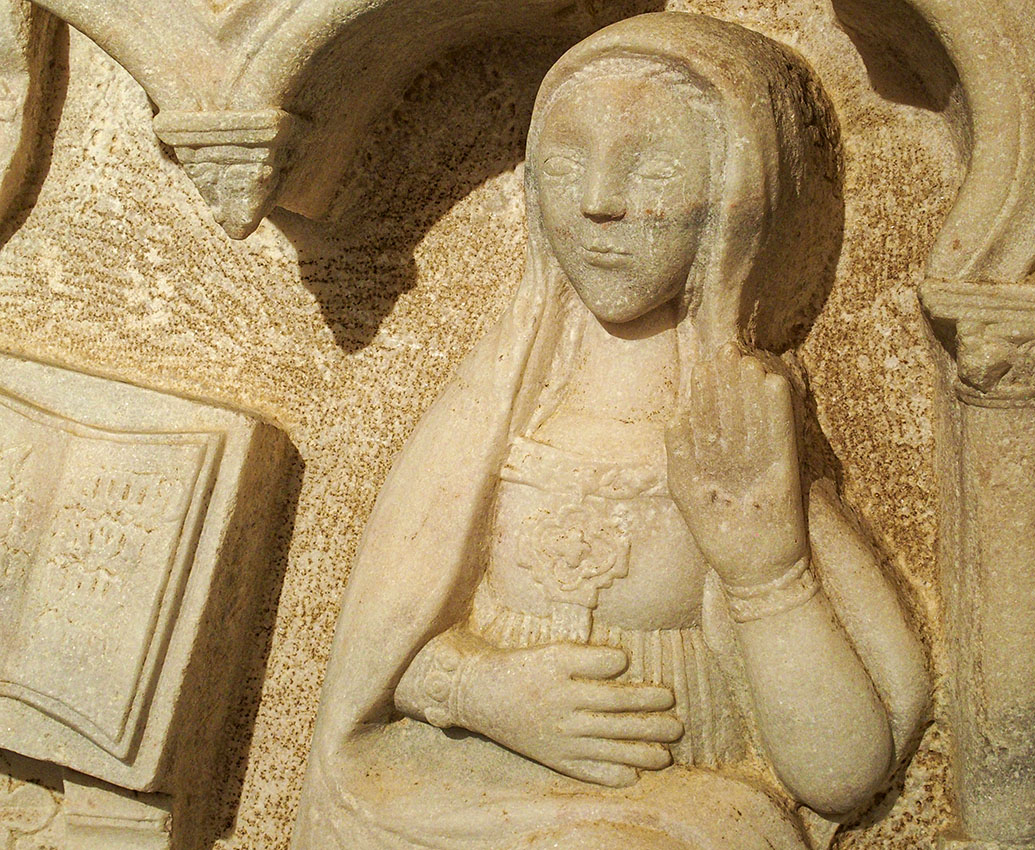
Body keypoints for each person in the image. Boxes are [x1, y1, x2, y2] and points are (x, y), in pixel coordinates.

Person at [293, 13, 929, 850]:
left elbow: (840, 772)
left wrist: (765, 571)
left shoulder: (739, 427)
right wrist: (477, 692)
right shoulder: (492, 405)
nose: (597, 201)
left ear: (738, 199)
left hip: (666, 817)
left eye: (652, 167)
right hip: (451, 794)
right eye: (564, 165)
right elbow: (375, 652)